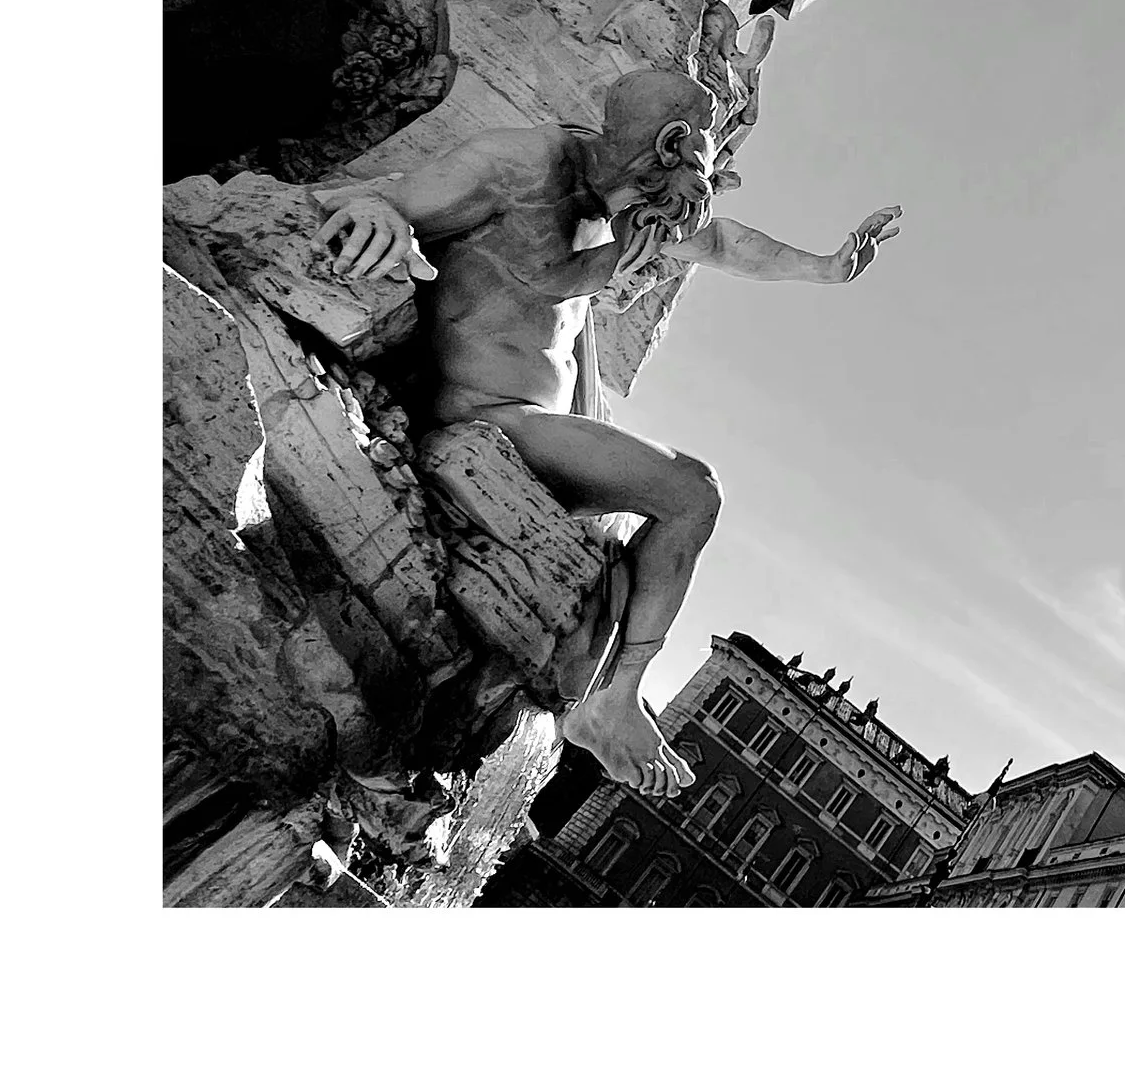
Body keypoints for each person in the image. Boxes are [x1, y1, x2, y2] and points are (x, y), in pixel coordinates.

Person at [313, 67, 899, 797]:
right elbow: (387, 199)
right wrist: (379, 215)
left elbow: (719, 242)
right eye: (697, 166)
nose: (679, 222)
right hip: (486, 418)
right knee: (693, 492)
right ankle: (612, 700)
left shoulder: (621, 204)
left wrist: (825, 268)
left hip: (545, 424)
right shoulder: (519, 166)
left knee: (661, 519)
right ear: (670, 143)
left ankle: (606, 695)